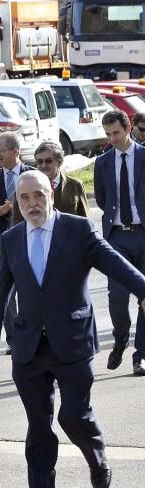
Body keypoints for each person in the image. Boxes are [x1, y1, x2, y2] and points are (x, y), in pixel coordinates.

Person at [0, 170, 145, 488]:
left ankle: (97, 458)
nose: (32, 204)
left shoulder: (78, 230)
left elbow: (115, 264)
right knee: (38, 423)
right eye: (24, 198)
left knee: (73, 415)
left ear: (51, 193)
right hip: (29, 346)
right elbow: (0, 295)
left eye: (38, 195)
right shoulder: (10, 239)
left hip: (71, 341)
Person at [94, 109, 145, 376]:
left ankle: (142, 354)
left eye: (115, 133)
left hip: (143, 233)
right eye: (107, 134)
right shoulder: (102, 162)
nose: (112, 139)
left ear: (128, 129)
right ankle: (121, 337)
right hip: (117, 237)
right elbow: (102, 200)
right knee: (117, 295)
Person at [0, 131, 32, 354]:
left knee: (30, 291)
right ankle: (14, 340)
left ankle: (33, 334)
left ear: (15, 151)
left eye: (0, 150)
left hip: (30, 242)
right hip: (3, 245)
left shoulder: (32, 175)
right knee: (6, 295)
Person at [12, 141, 89, 222]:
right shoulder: (23, 187)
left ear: (59, 161)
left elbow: (85, 219)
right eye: (40, 162)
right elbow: (17, 222)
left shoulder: (75, 185)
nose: (43, 165)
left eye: (48, 161)